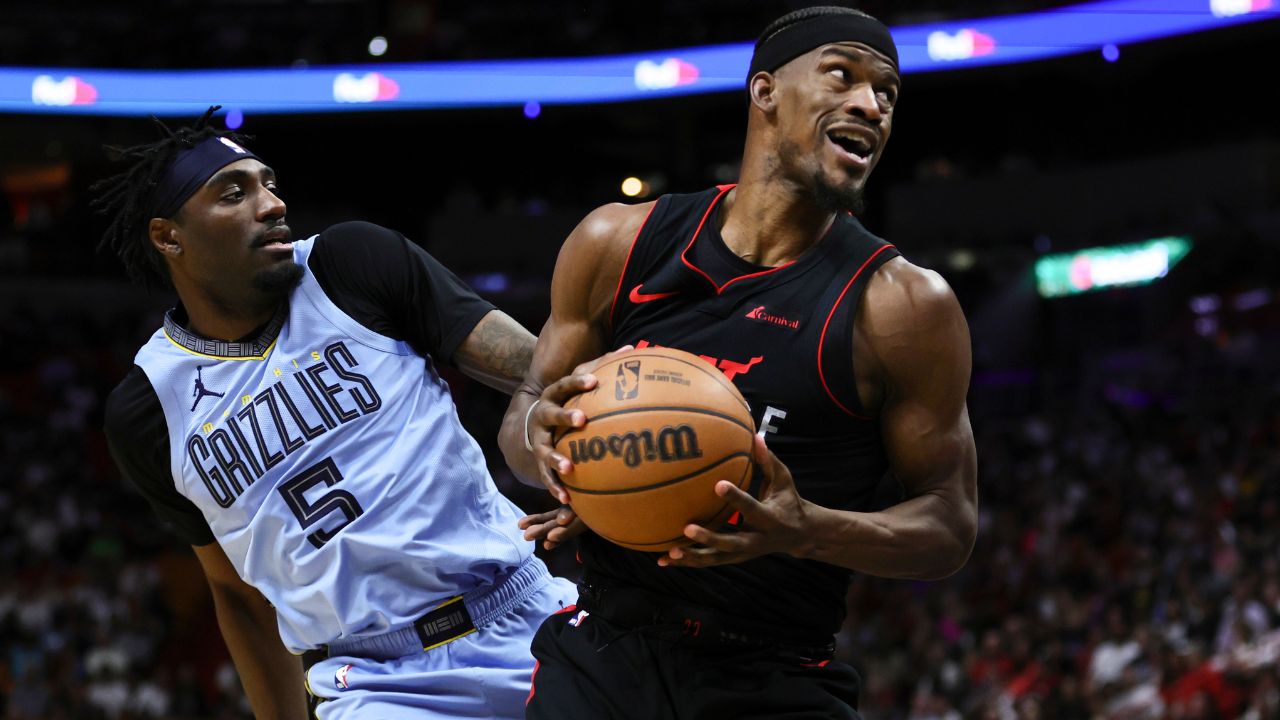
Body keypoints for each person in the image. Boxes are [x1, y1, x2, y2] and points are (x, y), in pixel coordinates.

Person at [498, 6, 979, 718]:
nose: (870, 105)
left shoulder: (901, 305)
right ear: (765, 93)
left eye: (887, 94)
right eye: (842, 76)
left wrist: (808, 527)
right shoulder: (616, 243)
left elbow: (949, 526)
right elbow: (525, 416)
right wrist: (551, 449)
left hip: (772, 675)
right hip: (603, 655)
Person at [95, 108, 576, 720]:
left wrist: (597, 465)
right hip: (376, 681)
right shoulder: (148, 411)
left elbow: (539, 373)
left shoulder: (349, 264)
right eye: (233, 194)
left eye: (269, 185)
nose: (271, 205)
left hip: (524, 611)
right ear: (168, 237)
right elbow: (235, 592)